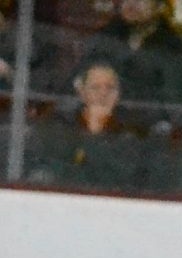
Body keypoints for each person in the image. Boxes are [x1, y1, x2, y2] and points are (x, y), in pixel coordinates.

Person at [32, 60, 151, 192]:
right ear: (82, 93)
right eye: (95, 87)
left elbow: (123, 178)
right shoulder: (62, 124)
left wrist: (95, 134)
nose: (103, 94)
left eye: (110, 88)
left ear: (118, 94)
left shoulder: (131, 130)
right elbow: (56, 169)